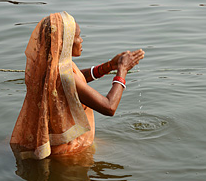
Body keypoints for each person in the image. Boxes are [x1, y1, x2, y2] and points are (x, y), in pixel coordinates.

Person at [10, 11, 145, 160]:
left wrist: (109, 66)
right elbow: (109, 107)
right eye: (77, 37)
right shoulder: (65, 76)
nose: (81, 40)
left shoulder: (50, 67)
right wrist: (122, 70)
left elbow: (76, 82)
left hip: (54, 144)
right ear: (65, 41)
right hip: (69, 153)